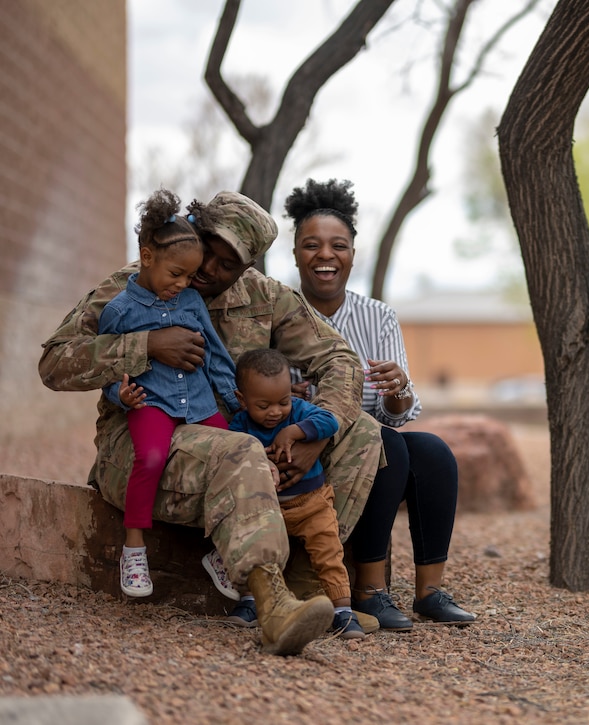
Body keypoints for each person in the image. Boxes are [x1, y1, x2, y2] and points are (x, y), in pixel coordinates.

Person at [39, 189, 385, 655]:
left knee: (361, 430)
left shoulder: (265, 297)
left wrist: (310, 439)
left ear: (247, 268)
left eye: (227, 264)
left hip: (236, 444)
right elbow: (55, 363)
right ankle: (272, 604)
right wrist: (145, 345)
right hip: (147, 451)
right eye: (208, 250)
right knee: (241, 449)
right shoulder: (134, 287)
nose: (207, 271)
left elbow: (341, 359)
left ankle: (306, 584)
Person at [285, 178, 475, 629]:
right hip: (307, 445)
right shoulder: (280, 313)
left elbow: (401, 413)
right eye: (311, 245)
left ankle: (429, 591)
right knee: (389, 445)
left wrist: (399, 389)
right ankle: (371, 590)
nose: (325, 255)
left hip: (377, 442)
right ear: (295, 253)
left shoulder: (378, 316)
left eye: (339, 245)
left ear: (353, 253)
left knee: (431, 451)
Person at [98, 189, 240, 598]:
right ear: (146, 257)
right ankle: (134, 548)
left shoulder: (192, 301)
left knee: (236, 452)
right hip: (151, 403)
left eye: (187, 276)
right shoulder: (120, 310)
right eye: (175, 273)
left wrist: (233, 401)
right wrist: (117, 395)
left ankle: (218, 552)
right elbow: (108, 366)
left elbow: (213, 354)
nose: (181, 284)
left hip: (196, 402)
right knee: (152, 457)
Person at [219, 347, 366, 639]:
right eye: (264, 406)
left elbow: (330, 421)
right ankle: (251, 601)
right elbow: (232, 448)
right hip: (268, 509)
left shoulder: (298, 411)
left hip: (312, 504)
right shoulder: (240, 424)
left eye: (282, 401)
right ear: (242, 399)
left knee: (328, 553)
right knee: (258, 550)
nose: (275, 412)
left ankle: (342, 610)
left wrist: (294, 431)